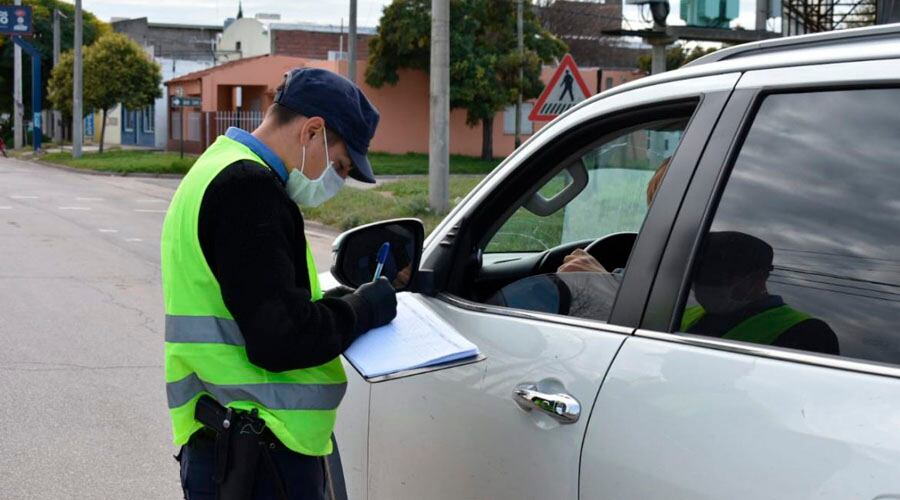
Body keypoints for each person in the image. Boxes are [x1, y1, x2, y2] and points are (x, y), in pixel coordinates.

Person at [161, 67, 398, 499]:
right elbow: (279, 337)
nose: (338, 181)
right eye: (341, 166)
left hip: (229, 445)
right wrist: (363, 310)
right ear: (312, 132)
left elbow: (256, 302)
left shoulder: (215, 168)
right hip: (262, 454)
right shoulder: (249, 191)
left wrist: (342, 300)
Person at [683, 231, 839, 354]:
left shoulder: (810, 334)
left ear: (758, 278)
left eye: (718, 278)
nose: (705, 286)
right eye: (700, 277)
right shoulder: (684, 315)